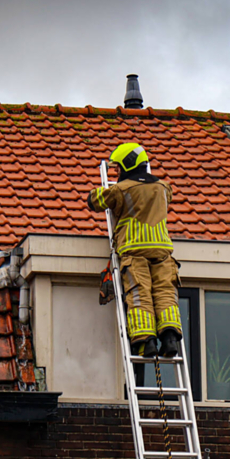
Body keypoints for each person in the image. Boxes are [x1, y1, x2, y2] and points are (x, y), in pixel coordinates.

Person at [87, 142, 182, 358]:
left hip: (134, 251)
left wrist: (98, 191)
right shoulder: (163, 188)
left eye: (118, 168)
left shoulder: (120, 190)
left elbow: (95, 201)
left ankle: (145, 341)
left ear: (127, 165)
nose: (117, 172)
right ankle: (169, 339)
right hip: (163, 252)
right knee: (166, 294)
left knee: (139, 295)